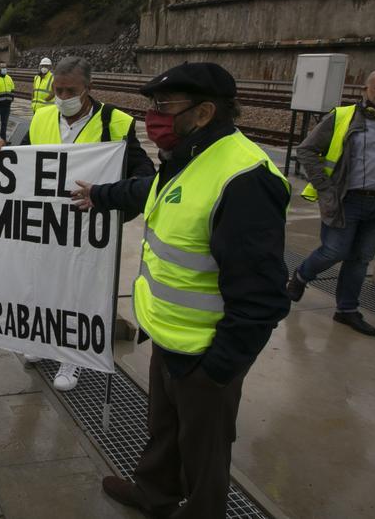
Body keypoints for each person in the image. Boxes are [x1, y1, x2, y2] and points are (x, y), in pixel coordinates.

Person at [74, 61, 290, 519]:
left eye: (164, 106)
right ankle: (154, 496)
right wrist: (101, 194)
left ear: (205, 112)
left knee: (204, 452)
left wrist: (219, 369)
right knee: (164, 430)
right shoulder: (187, 157)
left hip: (206, 353)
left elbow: (263, 296)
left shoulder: (244, 177)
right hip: (171, 339)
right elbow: (151, 192)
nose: (154, 116)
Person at [0, 56, 155, 390]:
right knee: (43, 284)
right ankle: (40, 341)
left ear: (88, 88)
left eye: (70, 91)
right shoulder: (43, 117)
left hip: (88, 228)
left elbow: (145, 178)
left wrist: (108, 198)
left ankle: (72, 357)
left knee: (79, 292)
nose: (63, 97)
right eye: (57, 90)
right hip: (46, 226)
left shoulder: (116, 122)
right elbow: (25, 161)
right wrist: (3, 149)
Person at [287, 68, 375, 335]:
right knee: (334, 251)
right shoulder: (342, 117)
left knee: (361, 258)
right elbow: (306, 150)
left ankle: (347, 310)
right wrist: (325, 188)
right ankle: (302, 275)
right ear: (366, 90)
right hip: (346, 200)